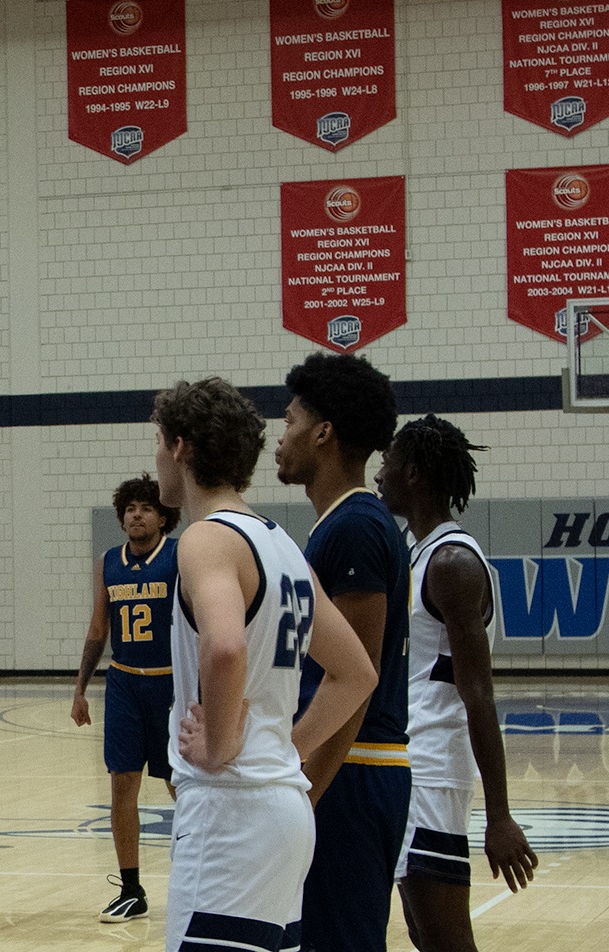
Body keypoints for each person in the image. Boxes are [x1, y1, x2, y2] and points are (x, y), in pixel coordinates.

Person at [152, 376, 378, 952]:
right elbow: (356, 673)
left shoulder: (204, 540)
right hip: (283, 811)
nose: (156, 457)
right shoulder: (281, 544)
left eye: (157, 441)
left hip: (232, 812)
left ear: (181, 446)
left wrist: (220, 746)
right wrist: (288, 750)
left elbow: (225, 647)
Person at [377, 416, 538, 950]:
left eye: (390, 463)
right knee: (425, 935)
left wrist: (499, 815)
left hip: (434, 773)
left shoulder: (452, 562)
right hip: (409, 760)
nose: (380, 474)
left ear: (415, 473)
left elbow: (480, 693)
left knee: (446, 939)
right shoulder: (414, 550)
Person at [274, 352, 410, 952]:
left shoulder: (355, 526)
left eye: (289, 421)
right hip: (347, 767)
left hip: (350, 769)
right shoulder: (339, 523)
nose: (280, 438)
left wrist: (302, 789)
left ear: (323, 432)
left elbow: (357, 679)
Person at [69, 475, 179, 922]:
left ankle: (203, 876)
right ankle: (131, 888)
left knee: (184, 790)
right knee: (121, 788)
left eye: (146, 507)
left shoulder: (178, 555)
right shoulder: (108, 562)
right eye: (130, 507)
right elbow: (99, 629)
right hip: (125, 684)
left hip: (173, 685)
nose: (137, 514)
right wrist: (79, 688)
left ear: (162, 515)